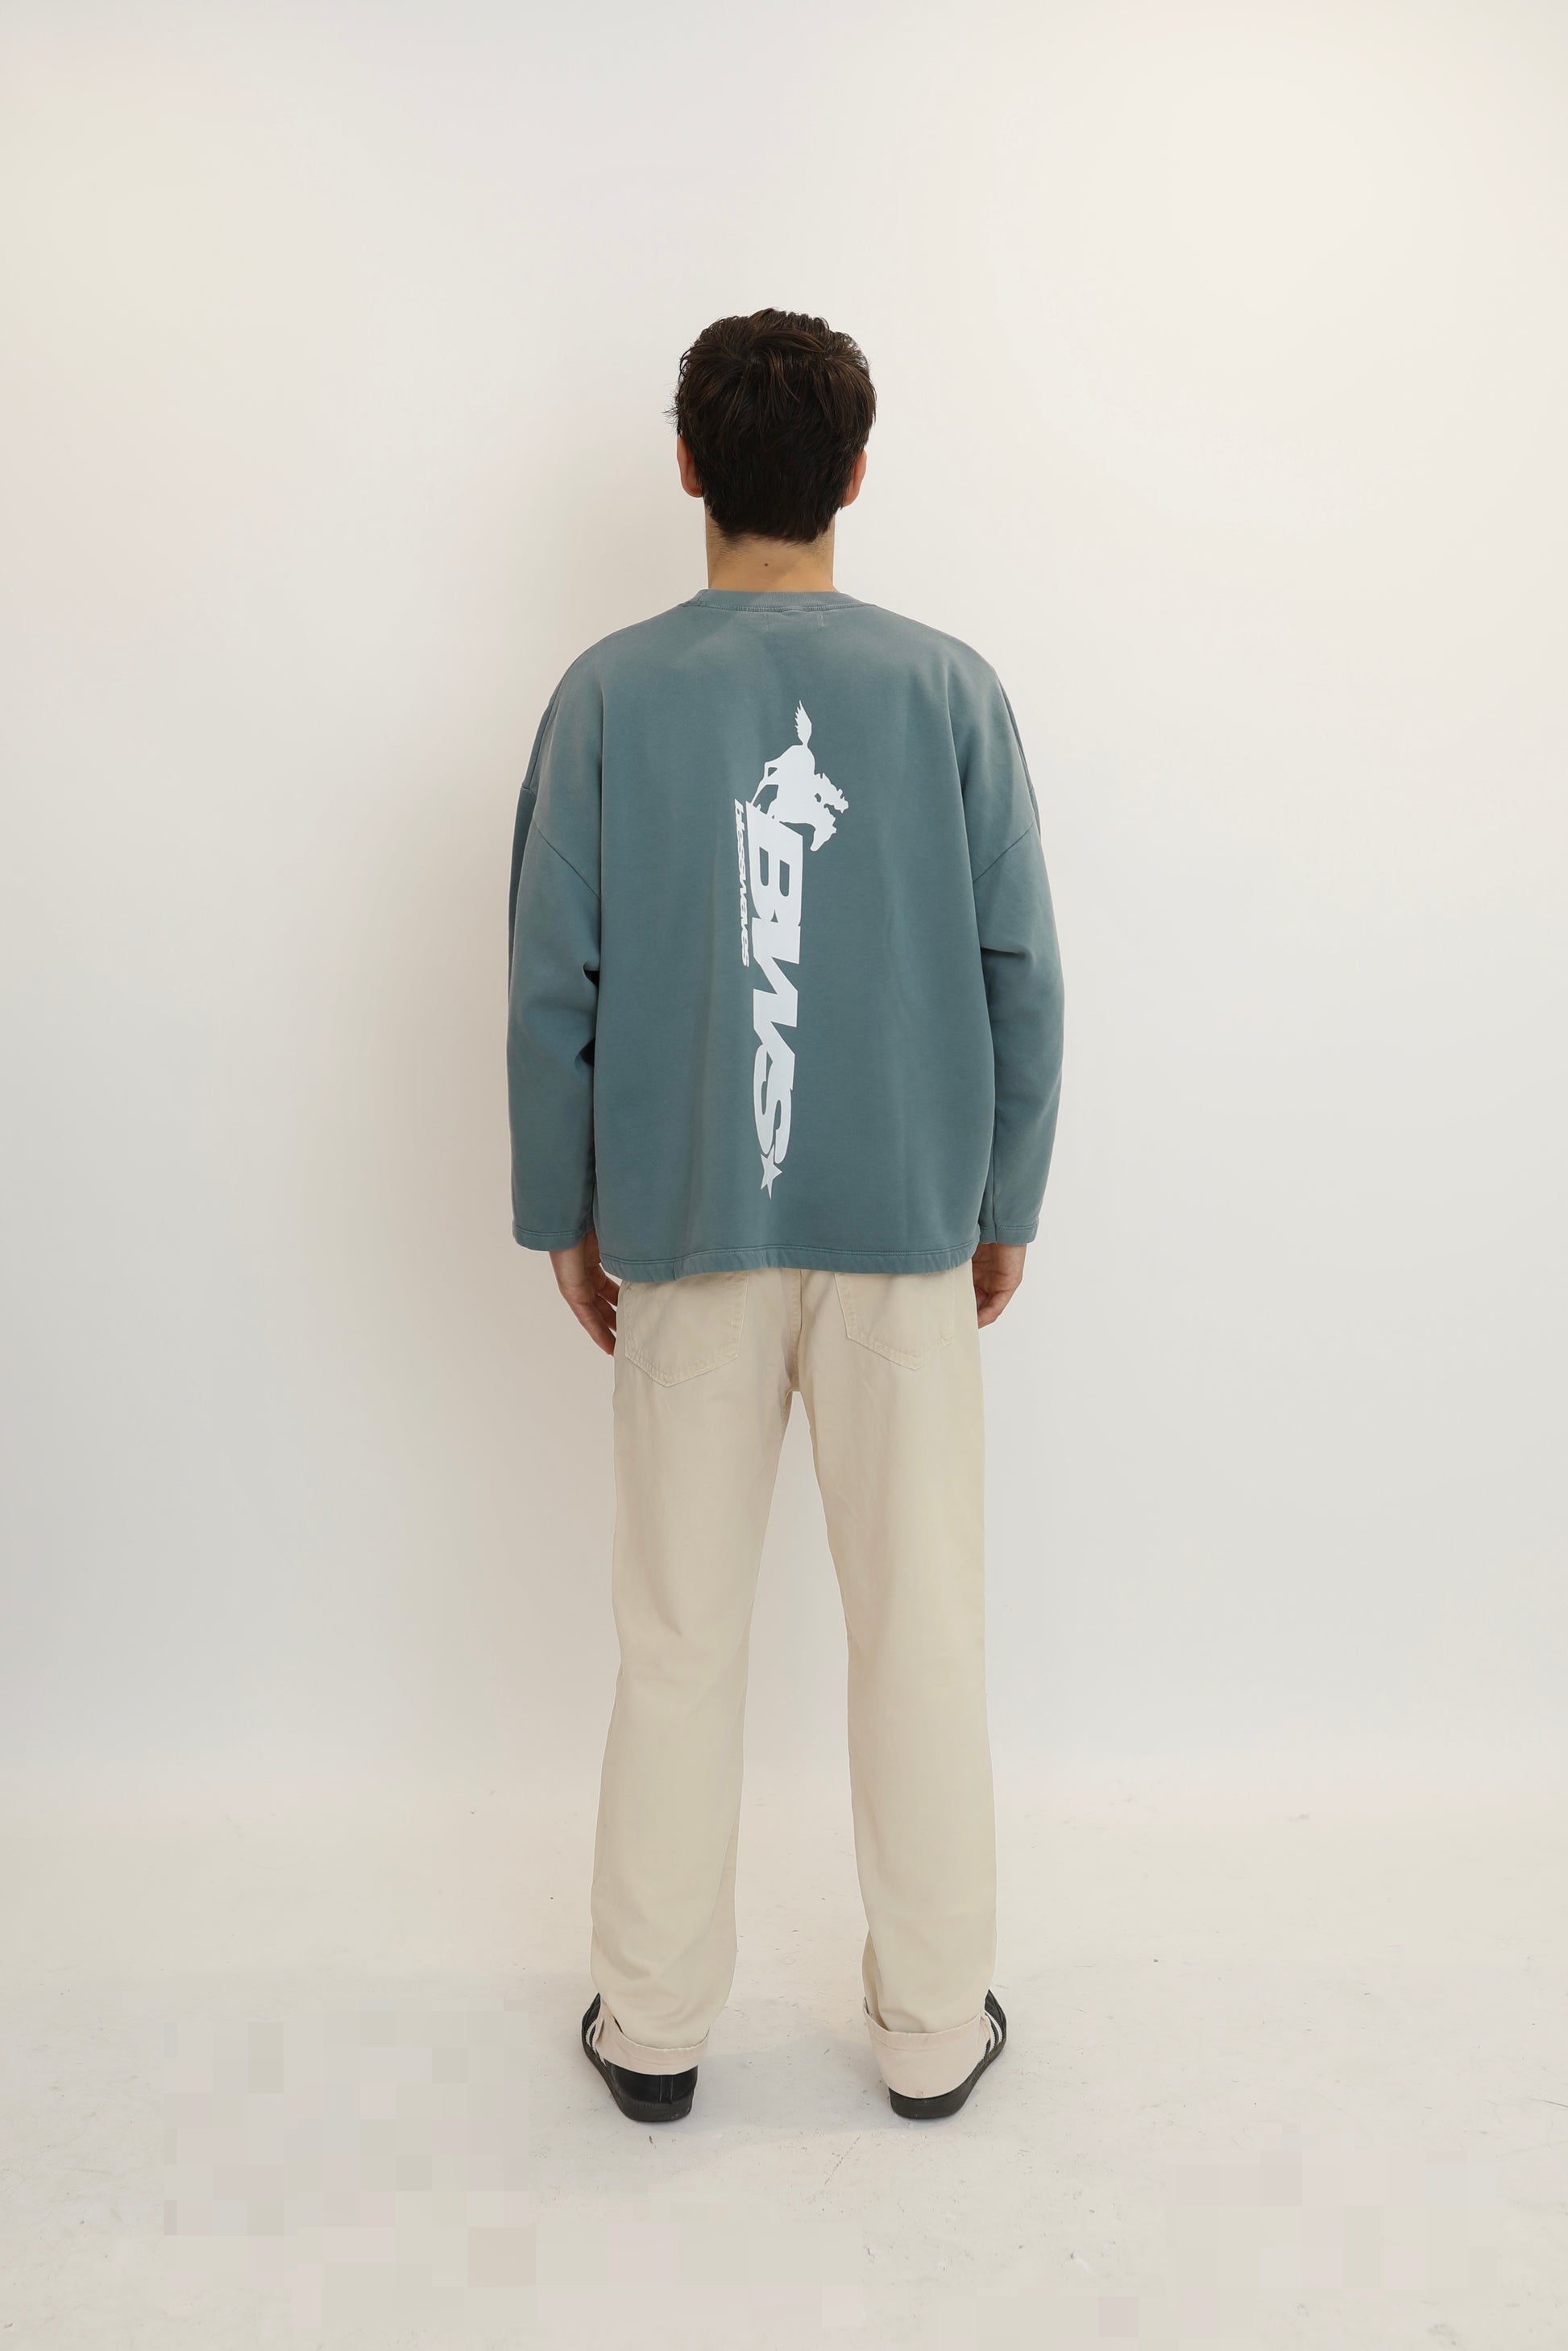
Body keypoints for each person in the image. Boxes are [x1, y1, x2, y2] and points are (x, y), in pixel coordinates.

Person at [506, 309, 1064, 2125]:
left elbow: (553, 981)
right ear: (856, 472)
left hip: (687, 1224)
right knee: (922, 1628)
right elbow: (1019, 966)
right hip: (902, 1229)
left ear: (686, 464)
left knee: (678, 1633)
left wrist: (565, 1206)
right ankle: (930, 2028)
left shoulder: (608, 696)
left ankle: (655, 2025)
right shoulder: (948, 689)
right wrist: (1002, 1195)